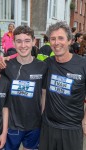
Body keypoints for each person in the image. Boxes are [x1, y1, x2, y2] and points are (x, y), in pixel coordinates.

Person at [39, 21, 86, 150]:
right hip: (48, 127)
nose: (56, 42)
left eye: (61, 38)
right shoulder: (47, 64)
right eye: (53, 39)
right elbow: (26, 63)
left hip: (72, 128)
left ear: (70, 40)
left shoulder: (82, 64)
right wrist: (4, 60)